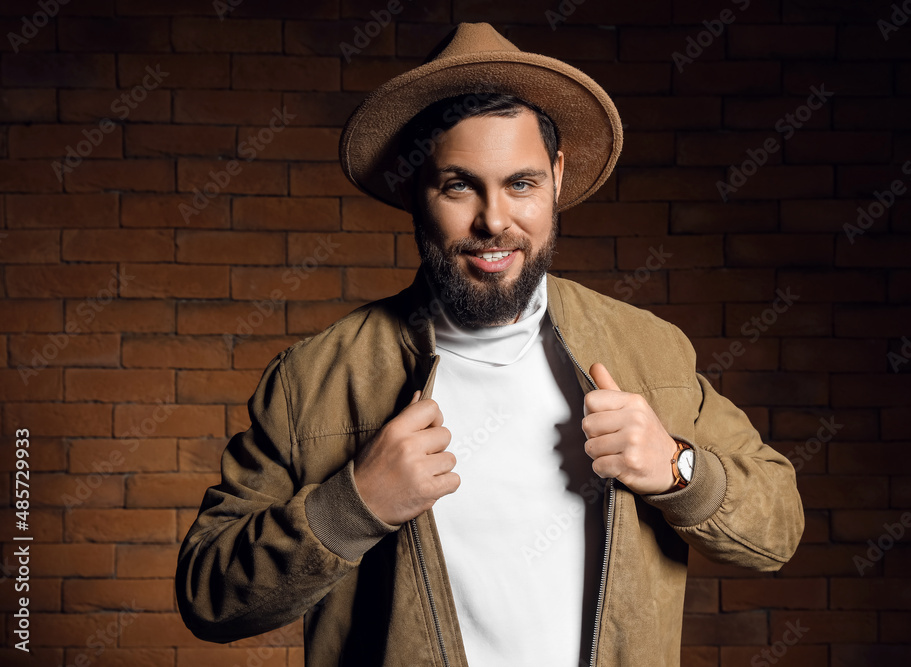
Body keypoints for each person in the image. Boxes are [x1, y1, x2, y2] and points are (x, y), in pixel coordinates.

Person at [176, 22, 804, 667]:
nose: (494, 220)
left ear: (557, 176)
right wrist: (354, 505)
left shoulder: (649, 350)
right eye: (459, 185)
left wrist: (677, 467)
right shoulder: (315, 378)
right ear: (413, 186)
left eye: (521, 184)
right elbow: (209, 599)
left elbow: (777, 529)